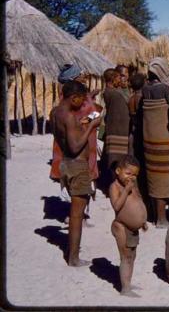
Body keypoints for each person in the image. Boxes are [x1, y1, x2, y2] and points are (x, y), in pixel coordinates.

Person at [51, 80, 101, 266]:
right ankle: (73, 258)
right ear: (74, 98)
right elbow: (75, 146)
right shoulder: (69, 117)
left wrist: (88, 121)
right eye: (81, 100)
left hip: (66, 164)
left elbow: (69, 132)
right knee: (77, 215)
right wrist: (90, 126)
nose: (83, 104)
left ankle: (73, 255)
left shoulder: (56, 113)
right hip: (77, 165)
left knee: (75, 212)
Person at [141, 58, 169, 228]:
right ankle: (162, 219)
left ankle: (155, 215)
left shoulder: (145, 89)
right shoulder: (163, 88)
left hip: (149, 139)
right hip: (164, 139)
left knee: (154, 177)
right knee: (163, 179)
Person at [109, 155, 148, 297]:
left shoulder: (133, 186)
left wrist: (142, 221)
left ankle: (127, 282)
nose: (131, 177)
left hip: (134, 229)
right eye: (128, 173)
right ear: (118, 171)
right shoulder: (115, 186)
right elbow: (117, 206)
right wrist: (126, 190)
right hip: (121, 227)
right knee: (125, 257)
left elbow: (138, 200)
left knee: (132, 255)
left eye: (135, 175)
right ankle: (125, 289)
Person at [102, 68, 130, 190]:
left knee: (114, 158)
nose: (120, 80)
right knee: (117, 160)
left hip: (114, 130)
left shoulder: (109, 92)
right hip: (119, 131)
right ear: (113, 79)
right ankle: (115, 187)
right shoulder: (115, 94)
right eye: (118, 77)